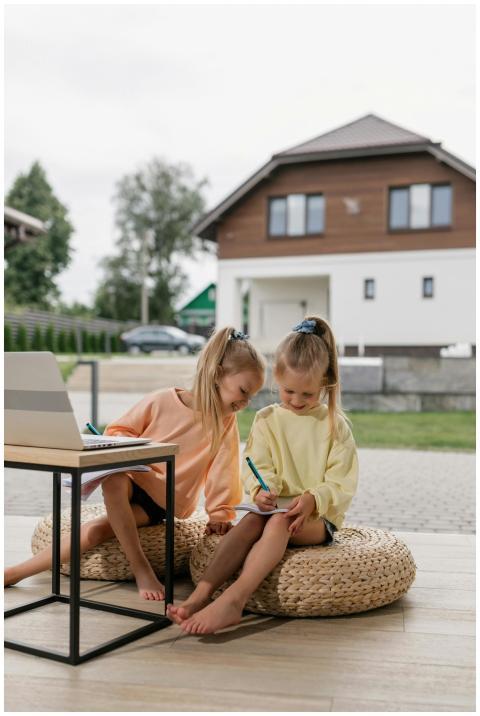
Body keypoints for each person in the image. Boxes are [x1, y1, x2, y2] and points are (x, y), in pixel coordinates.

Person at [4, 327, 265, 601]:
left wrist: (220, 514)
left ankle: (140, 568)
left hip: (161, 499)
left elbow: (225, 468)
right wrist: (139, 455)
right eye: (243, 391)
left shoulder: (224, 422)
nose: (245, 403)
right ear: (217, 373)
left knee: (97, 527)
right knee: (109, 491)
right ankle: (14, 573)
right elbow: (118, 431)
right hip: (130, 477)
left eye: (251, 397)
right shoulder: (161, 400)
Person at [168, 316, 358, 634]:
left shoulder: (334, 426)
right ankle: (199, 595)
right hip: (274, 509)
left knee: (279, 522)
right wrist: (262, 489)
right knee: (250, 523)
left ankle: (234, 600)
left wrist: (313, 499)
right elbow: (257, 463)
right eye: (288, 392)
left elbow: (342, 482)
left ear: (325, 384)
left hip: (315, 520)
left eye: (307, 395)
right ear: (277, 380)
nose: (297, 401)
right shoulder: (267, 419)